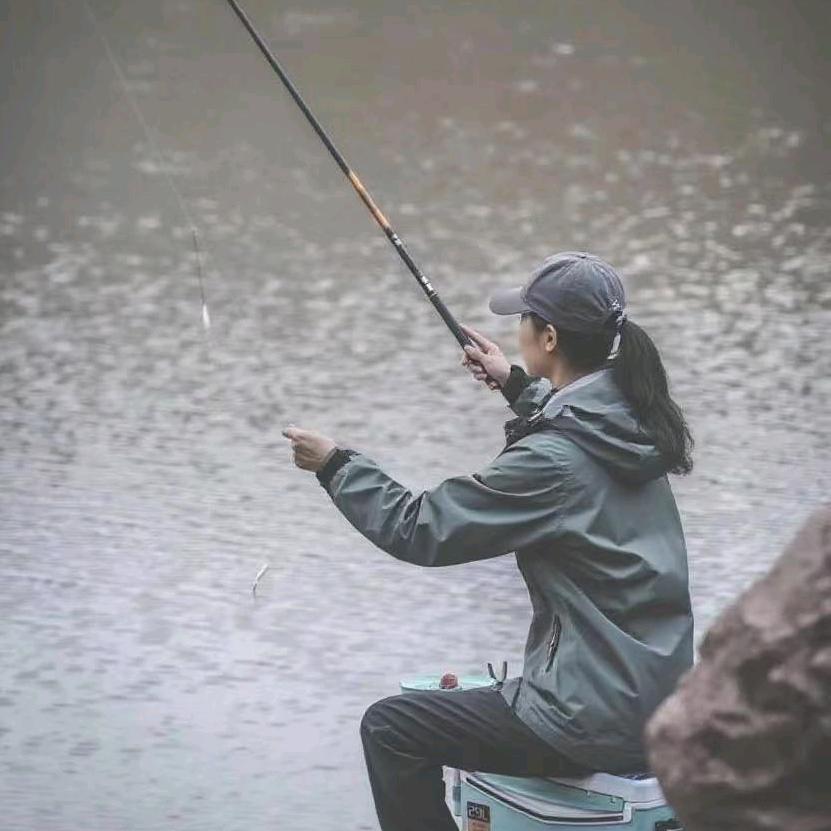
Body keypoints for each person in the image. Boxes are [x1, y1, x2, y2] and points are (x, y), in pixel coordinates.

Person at [282, 251, 695, 831]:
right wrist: (517, 384)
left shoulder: (553, 462)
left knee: (390, 729)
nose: (517, 326)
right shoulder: (635, 423)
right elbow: (577, 435)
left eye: (525, 318)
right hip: (656, 707)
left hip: (589, 720)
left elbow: (419, 528)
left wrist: (336, 465)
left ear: (548, 336)